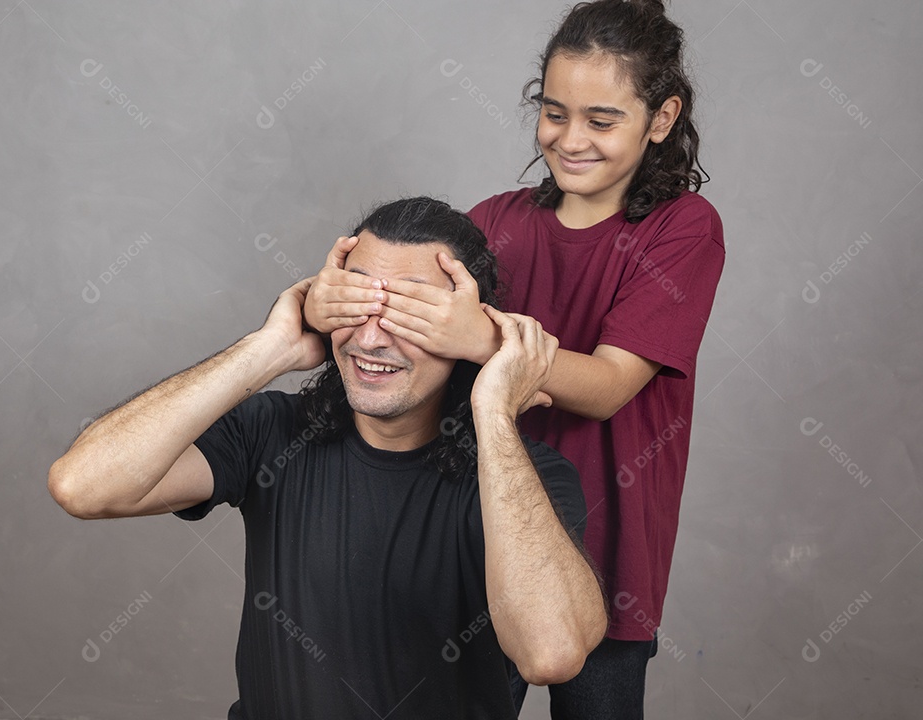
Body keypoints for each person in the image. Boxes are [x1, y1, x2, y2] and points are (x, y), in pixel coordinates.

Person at [304, 2, 725, 717]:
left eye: (602, 119)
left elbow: (608, 386)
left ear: (660, 119)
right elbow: (407, 342)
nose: (571, 139)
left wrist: (479, 339)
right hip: (477, 529)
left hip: (607, 540)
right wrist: (332, 310)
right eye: (554, 113)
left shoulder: (683, 228)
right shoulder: (495, 220)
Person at [48, 197, 608, 720]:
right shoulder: (272, 432)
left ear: (465, 334)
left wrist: (494, 408)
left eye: (410, 316)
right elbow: (83, 486)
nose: (370, 338)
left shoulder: (525, 478)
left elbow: (551, 655)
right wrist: (270, 348)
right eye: (356, 302)